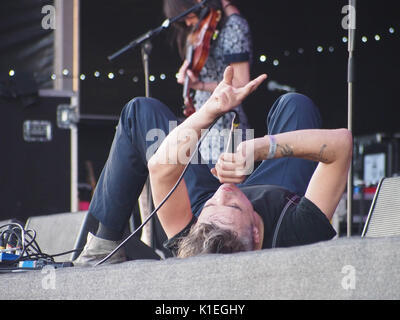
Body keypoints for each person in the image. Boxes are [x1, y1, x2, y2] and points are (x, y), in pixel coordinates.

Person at [74, 67, 352, 266]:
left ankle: (103, 245)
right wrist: (260, 147)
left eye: (211, 207)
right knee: (295, 104)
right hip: (281, 192)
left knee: (140, 112)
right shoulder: (297, 232)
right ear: (256, 235)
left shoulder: (192, 239)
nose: (224, 190)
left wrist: (211, 109)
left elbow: (161, 168)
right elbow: (341, 145)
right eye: (231, 206)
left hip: (209, 212)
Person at [163, 0, 253, 164]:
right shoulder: (203, 30)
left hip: (226, 125)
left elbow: (241, 83)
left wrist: (200, 85)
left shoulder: (233, 25)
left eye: (188, 15)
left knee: (227, 185)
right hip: (203, 126)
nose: (188, 22)